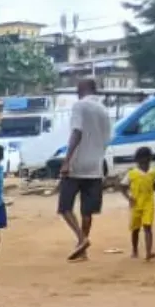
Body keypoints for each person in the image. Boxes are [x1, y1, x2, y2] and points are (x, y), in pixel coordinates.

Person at [58, 78, 113, 261]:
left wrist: (66, 160)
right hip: (95, 165)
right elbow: (107, 139)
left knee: (65, 207)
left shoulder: (80, 106)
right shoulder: (104, 110)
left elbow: (77, 132)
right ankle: (83, 251)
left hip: (77, 164)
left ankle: (82, 239)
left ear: (82, 88)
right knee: (87, 211)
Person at [125, 145, 155, 261]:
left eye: (146, 159)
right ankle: (135, 250)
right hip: (136, 205)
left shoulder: (154, 172)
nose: (144, 162)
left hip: (148, 204)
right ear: (137, 160)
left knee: (148, 227)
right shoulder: (132, 173)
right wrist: (129, 197)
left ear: (150, 159)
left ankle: (148, 252)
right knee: (135, 229)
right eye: (141, 160)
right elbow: (121, 186)